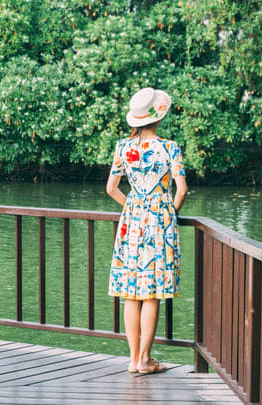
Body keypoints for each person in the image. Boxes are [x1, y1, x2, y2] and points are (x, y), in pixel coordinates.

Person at [106, 87, 188, 374]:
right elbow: (182, 190)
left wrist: (134, 205)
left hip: (132, 220)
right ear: (158, 117)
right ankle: (145, 360)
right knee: (151, 293)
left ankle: (132, 360)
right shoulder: (169, 147)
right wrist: (168, 212)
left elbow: (111, 189)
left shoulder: (122, 147)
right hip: (159, 221)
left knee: (131, 292)